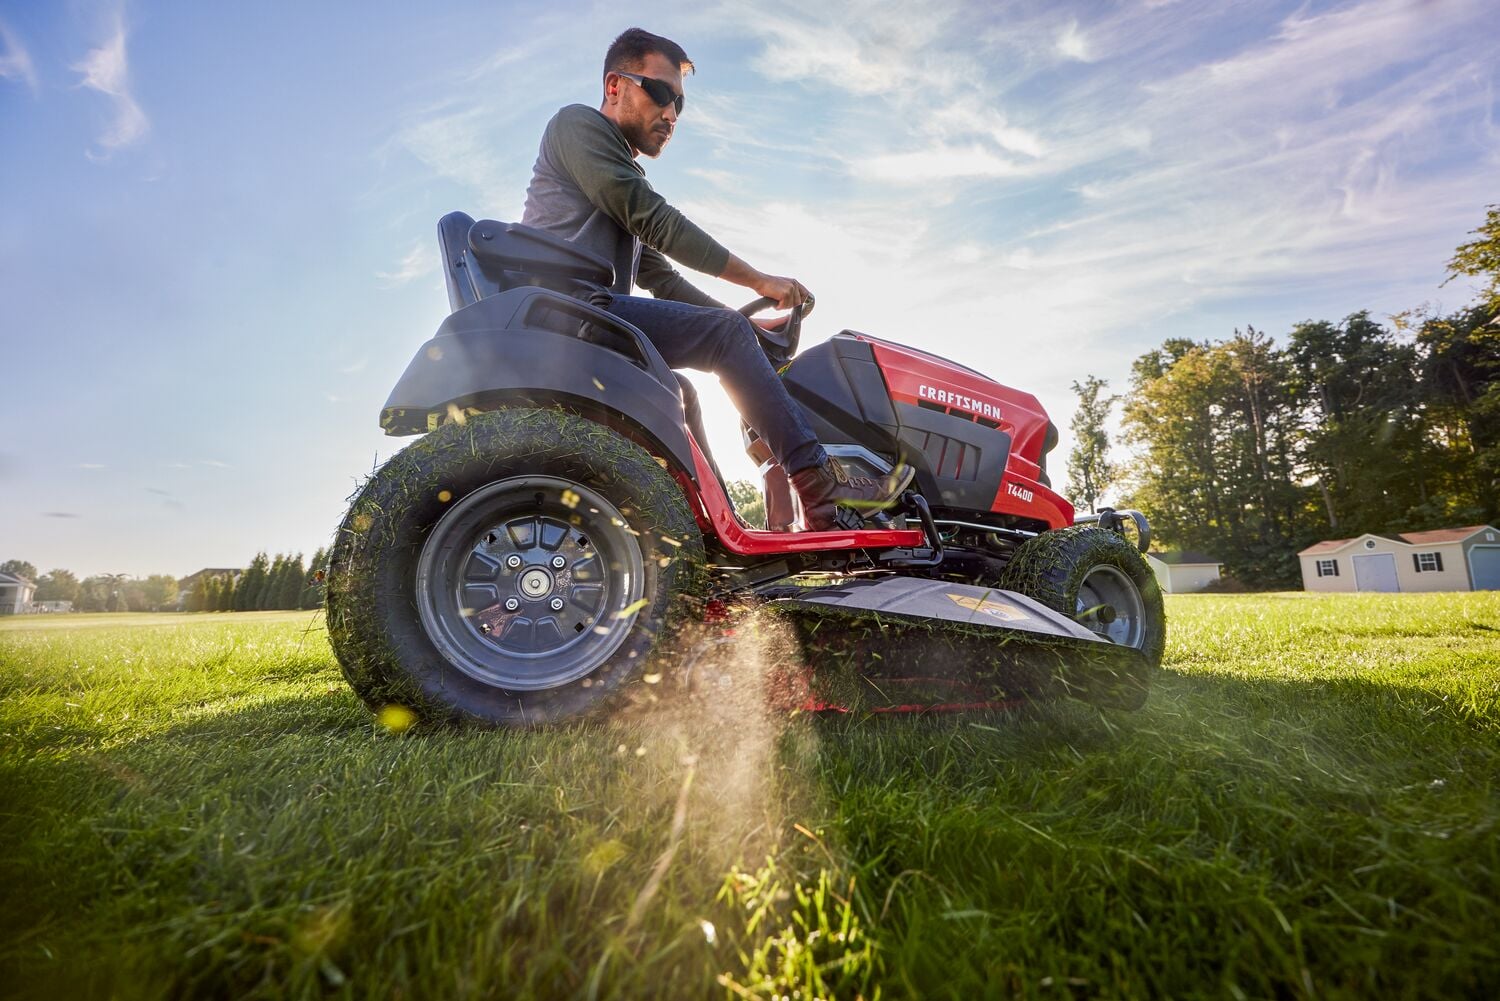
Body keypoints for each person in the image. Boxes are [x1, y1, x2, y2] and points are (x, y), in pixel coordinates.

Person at [521, 27, 913, 531]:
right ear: (615, 86)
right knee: (723, 338)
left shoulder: (618, 176)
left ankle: (711, 528)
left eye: (680, 106)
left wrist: (741, 330)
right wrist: (756, 283)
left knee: (684, 392)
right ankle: (819, 480)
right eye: (661, 94)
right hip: (567, 311)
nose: (671, 115)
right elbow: (653, 220)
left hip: (589, 315)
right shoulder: (577, 127)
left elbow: (663, 280)